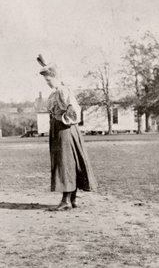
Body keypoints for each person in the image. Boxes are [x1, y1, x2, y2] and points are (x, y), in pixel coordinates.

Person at [37, 54, 97, 210]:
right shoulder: (56, 92)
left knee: (65, 163)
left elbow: (74, 111)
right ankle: (72, 198)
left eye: (48, 79)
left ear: (55, 78)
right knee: (69, 163)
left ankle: (66, 200)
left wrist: (60, 117)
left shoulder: (63, 91)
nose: (47, 82)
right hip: (61, 130)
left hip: (65, 130)